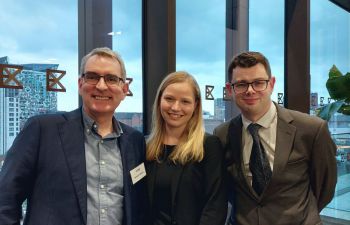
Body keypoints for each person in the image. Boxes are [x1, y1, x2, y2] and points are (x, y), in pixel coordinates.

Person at [0, 47, 148, 225]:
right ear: (80, 84)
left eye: (111, 79)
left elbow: (137, 206)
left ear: (124, 89)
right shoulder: (43, 130)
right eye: (92, 77)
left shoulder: (134, 141)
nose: (101, 86)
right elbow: (5, 198)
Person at [214, 51, 337, 225]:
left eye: (258, 83)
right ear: (230, 89)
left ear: (271, 84)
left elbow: (325, 188)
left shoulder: (311, 130)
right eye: (241, 84)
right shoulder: (222, 134)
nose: (250, 90)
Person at [146, 71, 227, 225]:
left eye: (185, 101)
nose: (176, 107)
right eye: (169, 99)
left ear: (196, 105)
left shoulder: (208, 146)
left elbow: (215, 206)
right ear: (159, 100)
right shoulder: (145, 147)